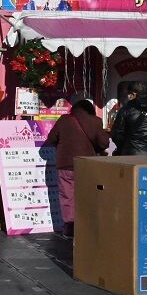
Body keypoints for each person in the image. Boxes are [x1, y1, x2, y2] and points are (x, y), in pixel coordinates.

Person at [45, 96, 109, 236]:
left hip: (66, 164)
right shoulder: (96, 121)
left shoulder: (64, 120)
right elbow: (104, 143)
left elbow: (51, 139)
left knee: (67, 196)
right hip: (87, 165)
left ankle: (70, 228)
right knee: (87, 195)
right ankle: (87, 227)